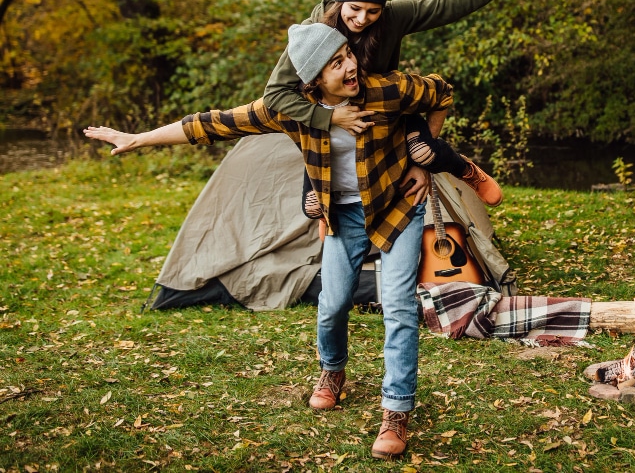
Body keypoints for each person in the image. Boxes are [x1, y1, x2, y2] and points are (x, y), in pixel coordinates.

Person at [85, 23, 449, 460]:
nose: (351, 66)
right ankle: (332, 372)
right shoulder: (293, 110)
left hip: (396, 207)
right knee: (332, 304)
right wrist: (139, 138)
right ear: (313, 81)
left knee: (398, 307)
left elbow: (441, 93)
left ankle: (396, 412)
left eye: (347, 55)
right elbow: (214, 124)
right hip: (343, 215)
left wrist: (423, 154)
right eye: (337, 64)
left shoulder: (385, 90)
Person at [264, 0, 544, 207]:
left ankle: (465, 169)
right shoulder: (313, 35)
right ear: (340, 1)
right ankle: (331, 217)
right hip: (330, 119)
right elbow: (275, 94)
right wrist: (329, 116)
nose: (362, 19)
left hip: (386, 108)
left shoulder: (392, 17)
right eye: (355, 8)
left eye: (373, 11)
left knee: (424, 153)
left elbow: (447, 4)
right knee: (312, 205)